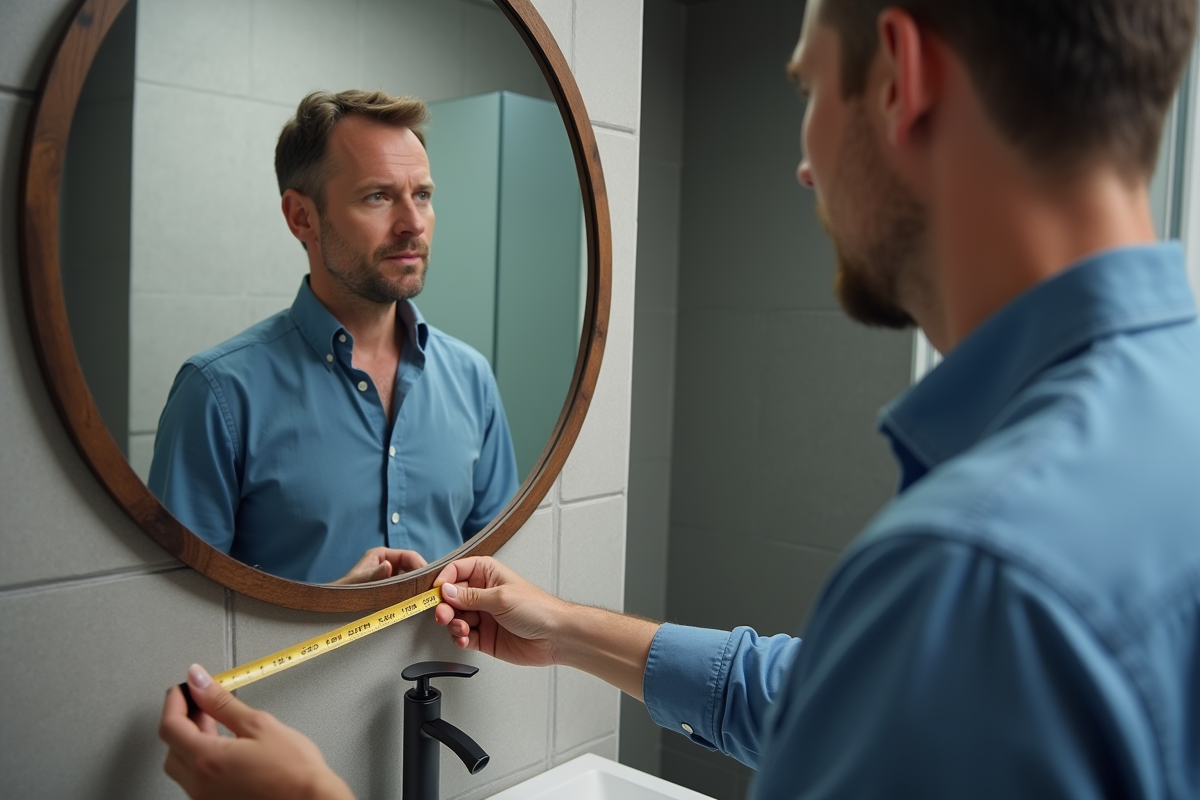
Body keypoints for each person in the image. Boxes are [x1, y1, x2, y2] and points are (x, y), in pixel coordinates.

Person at [159, 0, 1200, 796]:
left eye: (807, 90)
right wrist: (564, 624)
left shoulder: (968, 567)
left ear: (905, 78)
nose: (800, 162)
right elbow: (821, 693)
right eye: (383, 193)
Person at [148, 90, 520, 585]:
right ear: (302, 217)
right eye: (378, 197)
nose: (413, 224)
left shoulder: (471, 377)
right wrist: (326, 609)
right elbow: (176, 612)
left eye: (423, 195)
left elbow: (500, 570)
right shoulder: (217, 394)